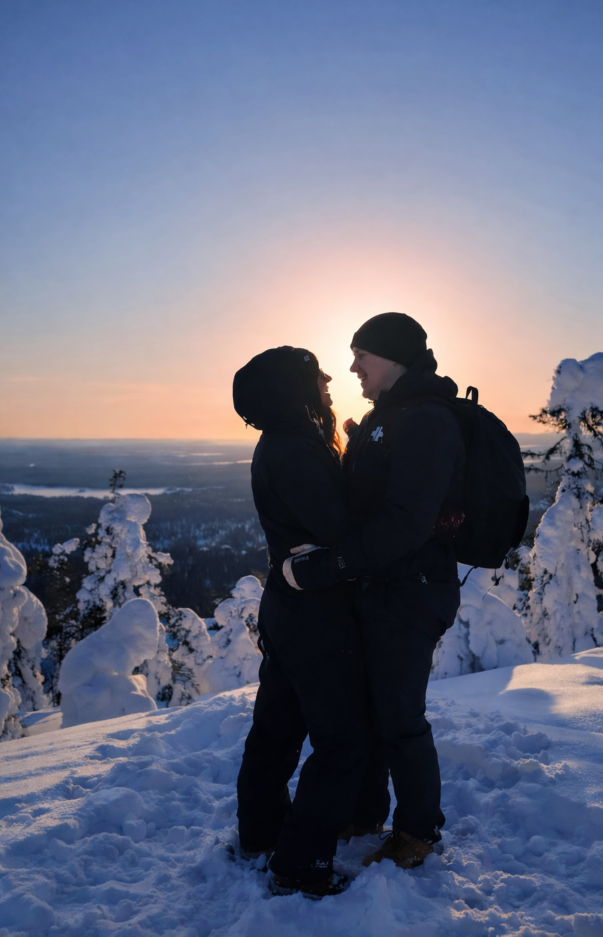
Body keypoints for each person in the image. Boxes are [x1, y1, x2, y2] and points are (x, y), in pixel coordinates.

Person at [284, 313, 465, 870]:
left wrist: (331, 565)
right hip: (382, 589)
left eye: (362, 353)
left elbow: (407, 523)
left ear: (393, 356)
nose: (353, 366)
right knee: (372, 709)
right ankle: (365, 814)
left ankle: (417, 832)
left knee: (399, 717)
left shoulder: (426, 419)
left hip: (411, 592)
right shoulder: (391, 417)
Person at [232, 346, 371, 899]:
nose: (330, 379)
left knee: (277, 729)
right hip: (315, 612)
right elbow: (342, 528)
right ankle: (300, 861)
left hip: (288, 607)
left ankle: (260, 834)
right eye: (317, 374)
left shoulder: (283, 444)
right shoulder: (297, 450)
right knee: (344, 741)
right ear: (294, 388)